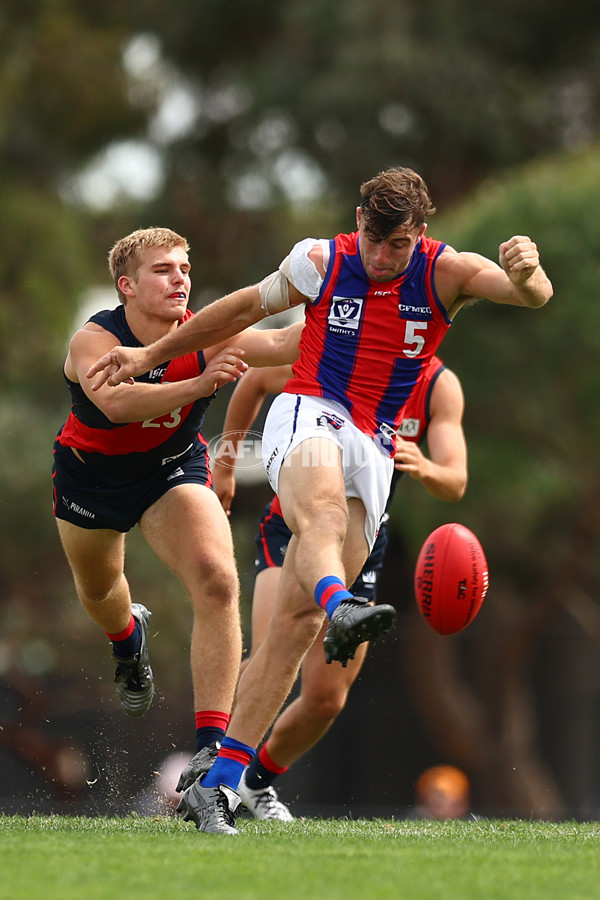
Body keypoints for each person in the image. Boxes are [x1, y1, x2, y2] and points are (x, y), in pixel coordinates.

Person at [87, 167, 553, 834]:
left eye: (394, 245)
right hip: (309, 411)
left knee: (296, 625)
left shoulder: (447, 273)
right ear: (357, 220)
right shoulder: (318, 260)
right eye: (370, 237)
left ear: (419, 235)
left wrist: (529, 270)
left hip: (376, 439)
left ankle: (219, 784)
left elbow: (530, 295)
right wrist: (149, 355)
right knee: (323, 515)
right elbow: (243, 308)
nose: (378, 255)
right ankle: (345, 604)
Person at [52, 227, 302, 773]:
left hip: (171, 470)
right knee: (99, 591)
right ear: (128, 286)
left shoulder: (207, 333)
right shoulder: (93, 341)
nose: (179, 279)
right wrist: (199, 384)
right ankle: (126, 636)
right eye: (163, 270)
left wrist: (341, 299)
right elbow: (118, 405)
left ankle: (212, 749)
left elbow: (287, 346)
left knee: (217, 578)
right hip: (92, 479)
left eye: (184, 269)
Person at [210, 354, 467, 820]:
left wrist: (425, 467)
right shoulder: (346, 351)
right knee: (272, 648)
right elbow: (254, 382)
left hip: (365, 536)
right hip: (296, 524)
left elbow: (456, 481)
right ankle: (215, 771)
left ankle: (254, 783)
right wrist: (226, 466)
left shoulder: (438, 386)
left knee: (327, 698)